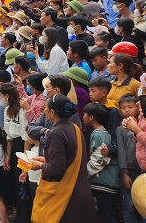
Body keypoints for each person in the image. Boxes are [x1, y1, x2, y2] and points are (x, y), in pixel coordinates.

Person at [28, 94, 95, 223]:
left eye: (45, 107)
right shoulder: (74, 128)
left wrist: (39, 165)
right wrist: (45, 160)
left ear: (52, 112)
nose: (44, 109)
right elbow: (67, 158)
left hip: (65, 194)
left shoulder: (56, 133)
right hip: (79, 189)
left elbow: (56, 168)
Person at [83, 103, 119, 223]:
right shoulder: (101, 134)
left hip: (103, 184)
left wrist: (84, 175)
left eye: (85, 114)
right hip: (106, 183)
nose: (83, 117)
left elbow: (99, 159)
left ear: (91, 117)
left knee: (103, 216)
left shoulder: (99, 135)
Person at [0, 82, 31, 222]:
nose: (0, 98)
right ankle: (18, 212)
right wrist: (7, 155)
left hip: (23, 147)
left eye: (1, 95)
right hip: (13, 148)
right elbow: (9, 136)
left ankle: (25, 216)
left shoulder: (22, 111)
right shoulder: (7, 110)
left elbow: (25, 136)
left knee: (22, 182)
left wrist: (24, 160)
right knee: (15, 183)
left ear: (7, 96)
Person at [116, 95, 142, 223]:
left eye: (130, 107)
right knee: (129, 205)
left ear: (137, 107)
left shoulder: (142, 124)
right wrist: (124, 172)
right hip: (129, 170)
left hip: (142, 168)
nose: (126, 110)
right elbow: (121, 151)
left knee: (144, 203)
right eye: (123, 108)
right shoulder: (120, 129)